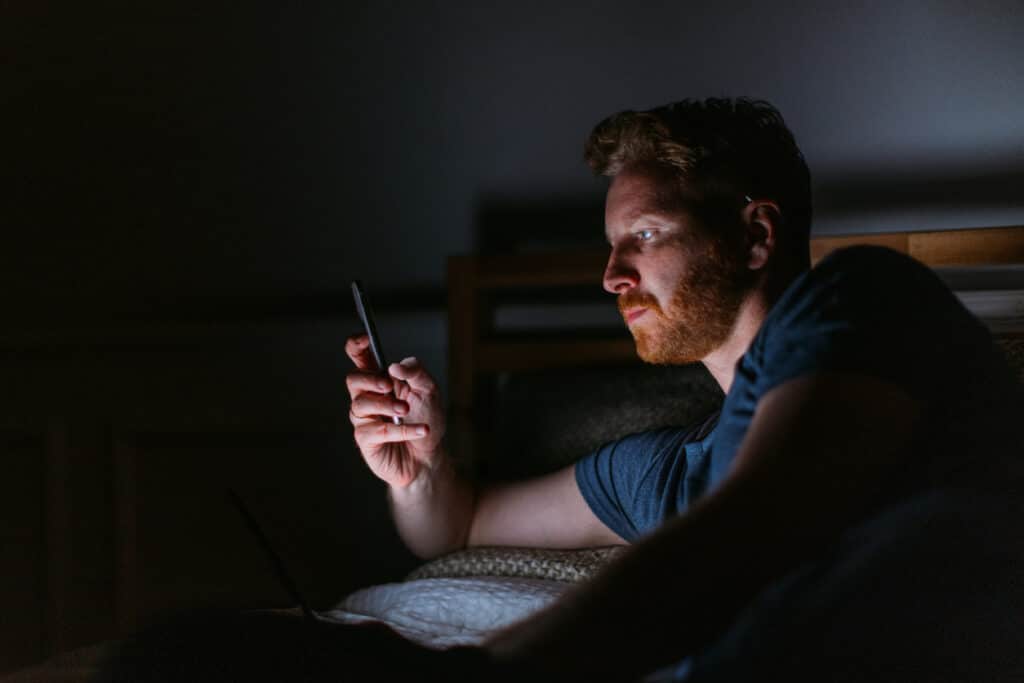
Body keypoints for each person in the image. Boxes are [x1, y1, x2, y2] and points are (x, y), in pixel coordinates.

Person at [345, 98, 1024, 682]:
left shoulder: (863, 295)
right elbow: (456, 525)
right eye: (611, 246)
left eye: (644, 234)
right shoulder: (671, 475)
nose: (612, 275)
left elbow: (753, 530)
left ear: (755, 234)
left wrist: (491, 670)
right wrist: (417, 466)